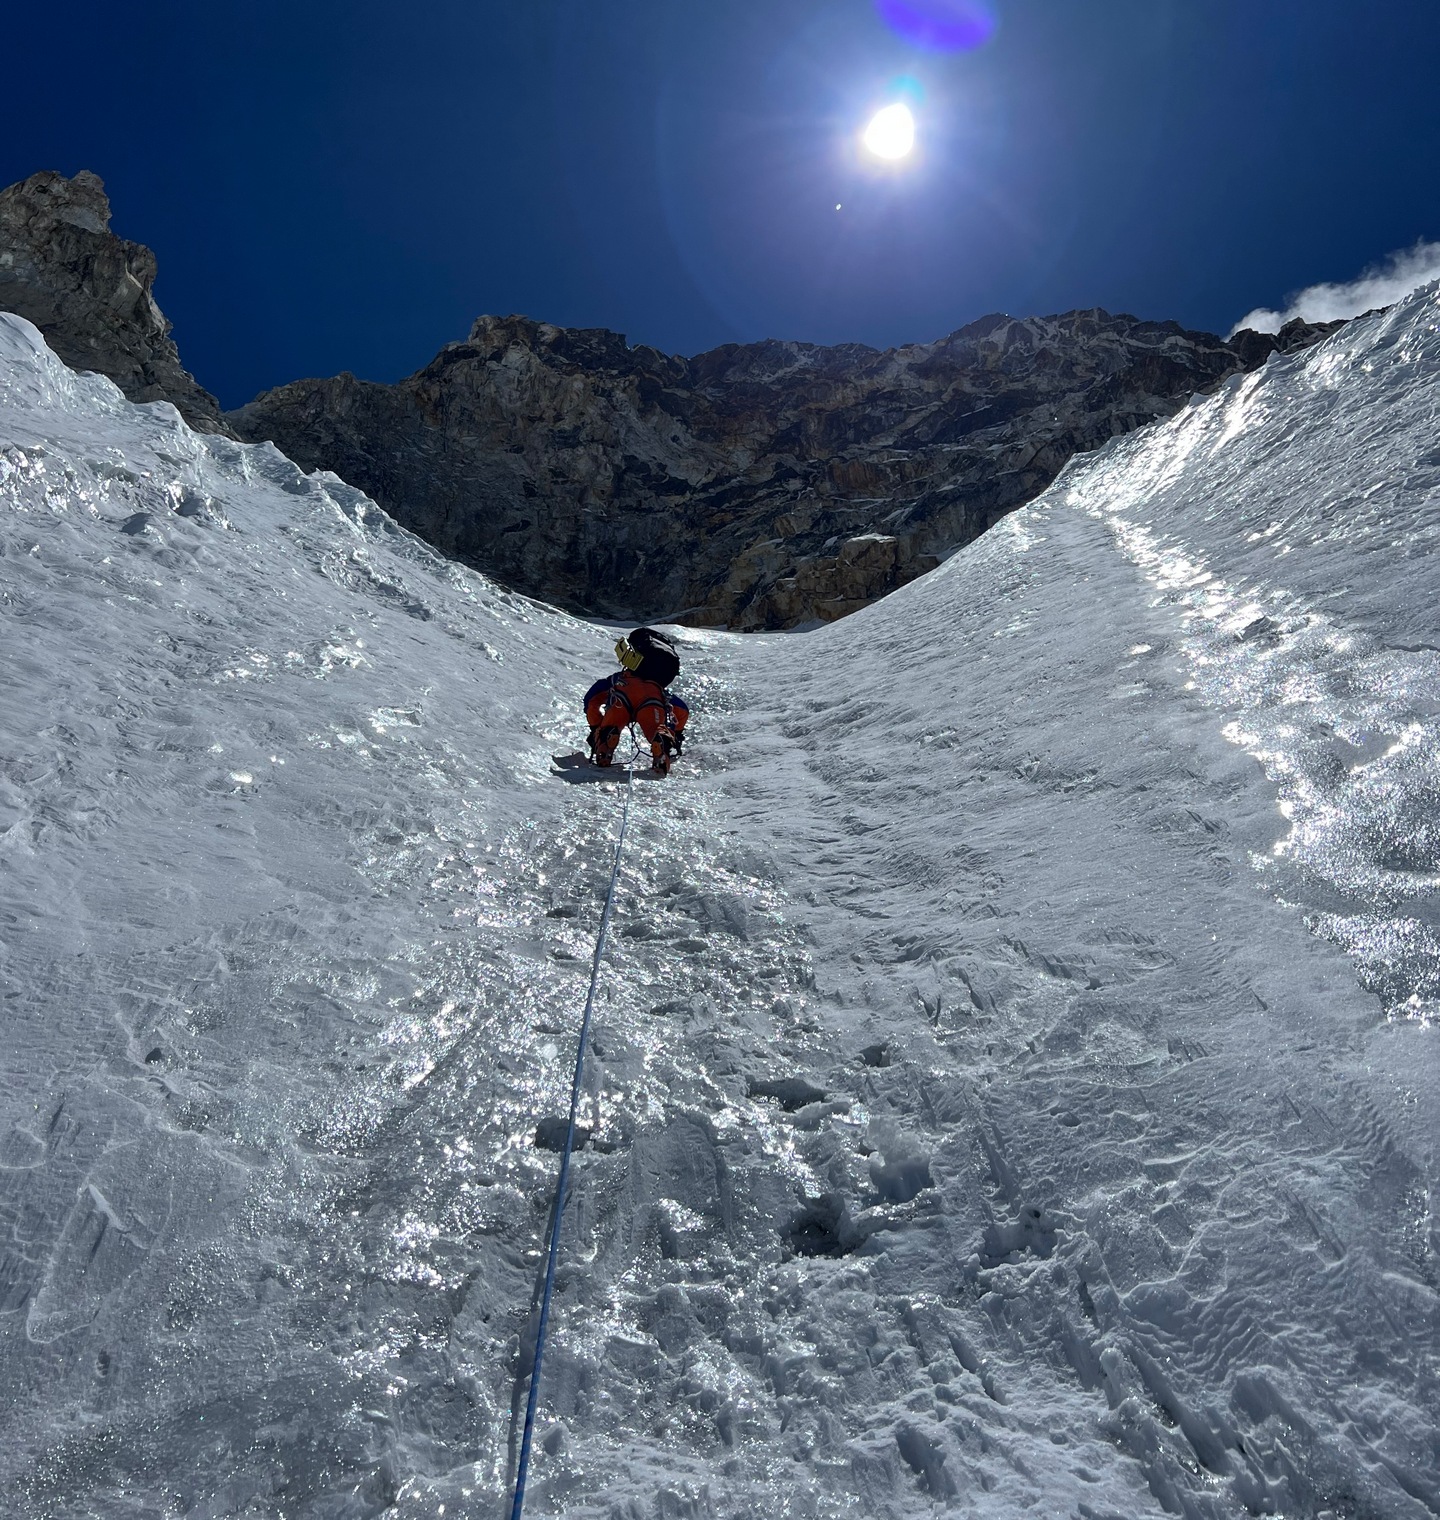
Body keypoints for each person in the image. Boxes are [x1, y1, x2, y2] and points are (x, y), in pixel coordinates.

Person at [583, 627, 689, 775]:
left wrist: (595, 727)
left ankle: (605, 743)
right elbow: (682, 710)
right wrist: (675, 734)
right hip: (652, 701)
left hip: (622, 696)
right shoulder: (658, 688)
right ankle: (661, 747)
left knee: (609, 726)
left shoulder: (618, 678)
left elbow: (592, 700)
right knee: (655, 730)